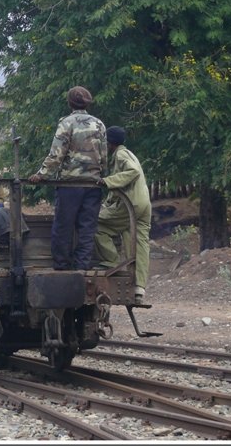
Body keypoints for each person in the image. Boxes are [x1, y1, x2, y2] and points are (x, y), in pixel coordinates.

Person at [28, 86, 107, 271]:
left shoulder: (66, 123)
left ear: (70, 103)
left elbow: (56, 154)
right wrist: (101, 177)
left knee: (63, 227)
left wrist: (41, 175)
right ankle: (82, 268)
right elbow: (104, 157)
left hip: (69, 185)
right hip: (93, 185)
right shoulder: (99, 124)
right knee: (87, 229)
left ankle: (62, 268)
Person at [94, 126, 151, 305]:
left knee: (94, 224)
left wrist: (107, 181)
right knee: (138, 244)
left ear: (109, 143)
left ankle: (111, 261)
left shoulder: (120, 155)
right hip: (143, 204)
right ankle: (138, 289)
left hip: (130, 205)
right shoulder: (129, 153)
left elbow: (132, 172)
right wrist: (109, 200)